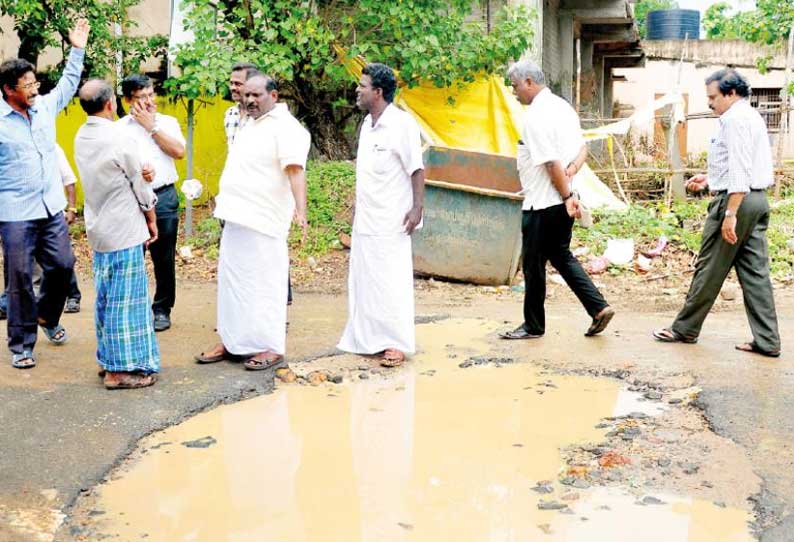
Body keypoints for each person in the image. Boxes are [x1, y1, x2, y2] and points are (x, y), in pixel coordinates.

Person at [653, 69, 781, 357]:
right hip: (757, 200)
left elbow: (739, 169)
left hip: (738, 201)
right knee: (755, 274)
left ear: (731, 93)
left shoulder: (734, 120)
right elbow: (744, 164)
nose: (710, 103)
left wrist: (730, 213)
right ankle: (768, 340)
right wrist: (710, 179)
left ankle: (684, 329)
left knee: (709, 267)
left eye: (713, 97)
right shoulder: (751, 116)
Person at [195, 73, 310, 370]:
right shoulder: (248, 122)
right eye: (246, 95)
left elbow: (295, 171)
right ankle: (233, 342)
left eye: (255, 95)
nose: (249, 100)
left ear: (274, 95)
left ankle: (271, 346)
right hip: (235, 215)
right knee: (233, 282)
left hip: (264, 220)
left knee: (265, 285)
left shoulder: (287, 128)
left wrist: (301, 211)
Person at [500, 59, 614, 341]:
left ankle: (533, 325)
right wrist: (571, 177)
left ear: (529, 82)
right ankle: (598, 307)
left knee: (533, 266)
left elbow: (551, 163)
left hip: (543, 203)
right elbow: (582, 149)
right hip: (563, 198)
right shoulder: (563, 108)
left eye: (515, 86)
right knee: (561, 257)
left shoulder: (536, 117)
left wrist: (565, 195)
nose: (514, 93)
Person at [0, 18, 90, 369]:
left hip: (50, 206)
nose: (34, 89)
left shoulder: (44, 109)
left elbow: (69, 84)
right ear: (9, 90)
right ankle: (21, 344)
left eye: (35, 82)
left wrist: (77, 49)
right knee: (20, 277)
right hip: (15, 212)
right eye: (27, 85)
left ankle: (46, 317)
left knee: (62, 266)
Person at [337, 63, 425, 368]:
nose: (357, 90)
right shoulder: (367, 125)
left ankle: (395, 343)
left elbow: (416, 169)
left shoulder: (402, 124)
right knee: (365, 280)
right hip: (367, 219)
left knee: (390, 282)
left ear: (378, 91)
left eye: (362, 86)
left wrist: (417, 208)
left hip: (393, 220)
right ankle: (368, 339)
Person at [74, 79, 160, 389]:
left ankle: (107, 359)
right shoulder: (119, 137)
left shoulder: (81, 135)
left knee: (107, 297)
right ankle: (120, 371)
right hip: (124, 226)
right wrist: (151, 218)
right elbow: (139, 184)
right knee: (127, 300)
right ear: (111, 103)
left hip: (99, 227)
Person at [118, 74, 186, 332]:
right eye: (141, 97)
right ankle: (134, 308)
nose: (148, 101)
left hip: (164, 196)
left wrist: (152, 128)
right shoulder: (119, 129)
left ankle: (162, 308)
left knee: (164, 257)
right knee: (132, 256)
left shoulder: (167, 122)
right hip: (131, 200)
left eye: (150, 95)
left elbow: (179, 152)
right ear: (127, 101)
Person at [0, 145, 83, 318]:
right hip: (20, 216)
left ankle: (72, 295)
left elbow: (69, 179)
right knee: (20, 263)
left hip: (49, 215)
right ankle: (10, 303)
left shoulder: (50, 146)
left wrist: (72, 208)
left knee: (60, 261)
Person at [224, 61, 258, 146]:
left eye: (238, 84)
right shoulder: (230, 113)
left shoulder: (264, 115)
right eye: (231, 83)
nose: (232, 88)